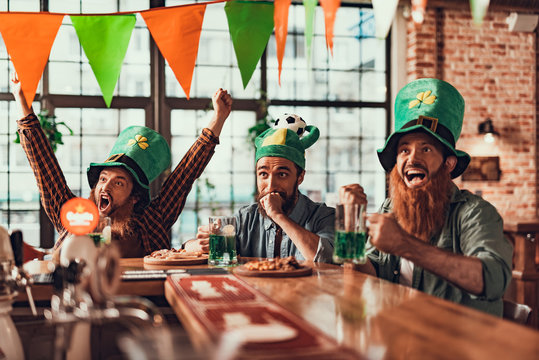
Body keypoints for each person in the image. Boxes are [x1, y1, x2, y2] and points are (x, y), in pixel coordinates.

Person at [11, 71, 232, 258]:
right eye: (103, 179)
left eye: (118, 183)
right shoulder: (75, 216)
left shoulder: (154, 219)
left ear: (134, 197)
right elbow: (45, 168)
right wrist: (23, 103)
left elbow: (185, 174)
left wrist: (218, 118)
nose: (105, 187)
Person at [341, 78, 512, 316]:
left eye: (426, 148)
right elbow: (368, 277)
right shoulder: (389, 209)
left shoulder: (475, 212)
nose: (412, 159)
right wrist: (351, 225)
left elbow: (493, 280)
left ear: (448, 164)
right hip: (401, 335)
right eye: (404, 150)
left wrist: (403, 244)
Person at [185, 116, 366, 262]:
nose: (271, 186)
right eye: (263, 174)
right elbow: (188, 247)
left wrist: (279, 216)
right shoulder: (246, 218)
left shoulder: (323, 216)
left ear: (300, 176)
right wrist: (201, 244)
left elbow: (326, 259)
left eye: (282, 174)